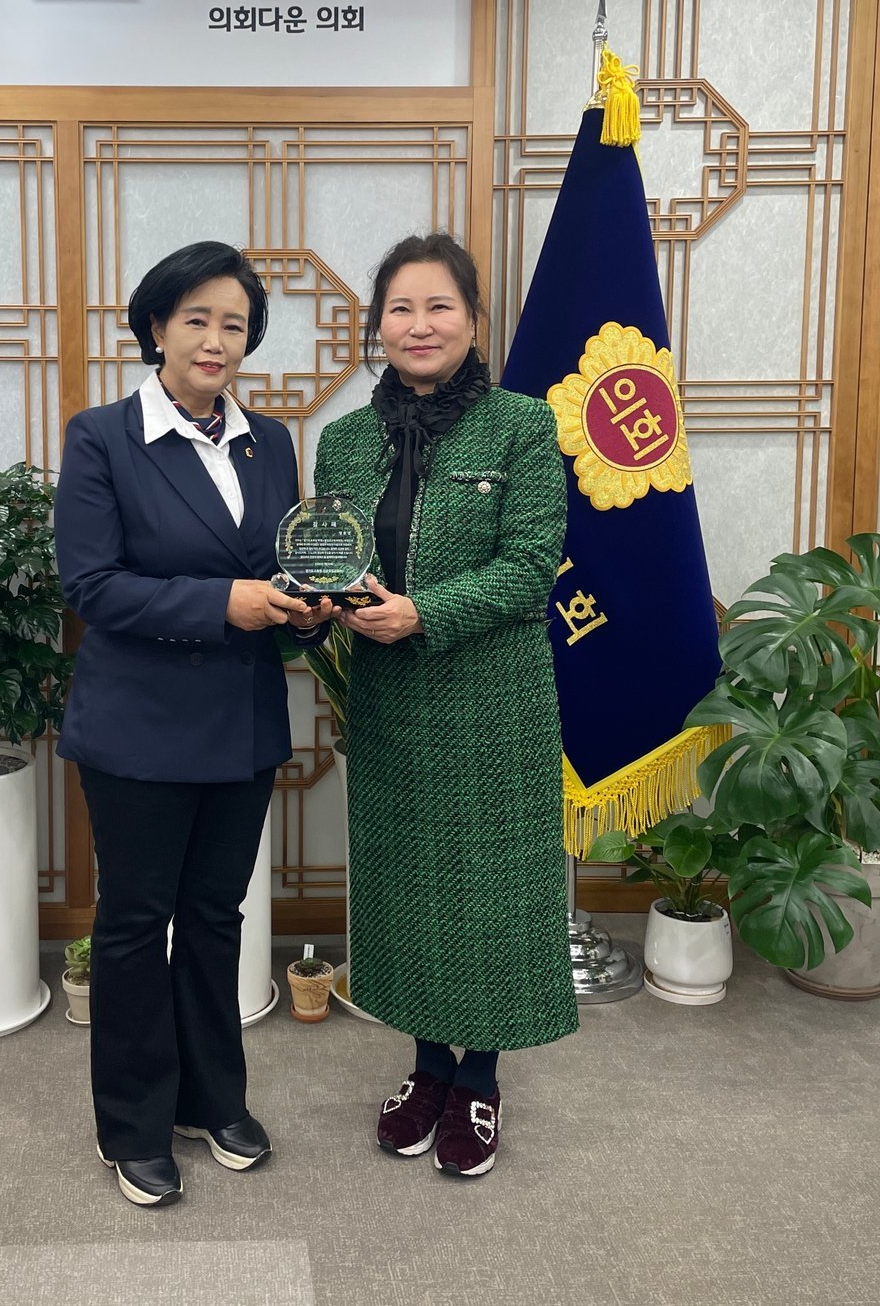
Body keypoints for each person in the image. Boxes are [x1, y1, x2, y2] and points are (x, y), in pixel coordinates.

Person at [55, 241, 329, 1208]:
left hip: (241, 721)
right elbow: (92, 585)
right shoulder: (102, 436)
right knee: (136, 924)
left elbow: (280, 567)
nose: (217, 340)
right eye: (197, 319)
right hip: (138, 726)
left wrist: (309, 607)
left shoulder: (272, 442)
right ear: (157, 327)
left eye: (235, 325)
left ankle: (213, 1098)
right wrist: (224, 603)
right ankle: (134, 1122)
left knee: (216, 917)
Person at [314, 232, 578, 1178]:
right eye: (401, 308)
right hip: (388, 699)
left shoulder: (523, 426)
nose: (419, 325)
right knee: (407, 887)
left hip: (494, 698)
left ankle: (481, 1078)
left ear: (473, 319)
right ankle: (428, 1066)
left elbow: (530, 567)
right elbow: (330, 559)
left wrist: (424, 612)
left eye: (440, 306)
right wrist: (320, 604)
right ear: (377, 325)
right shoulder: (343, 441)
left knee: (492, 890)